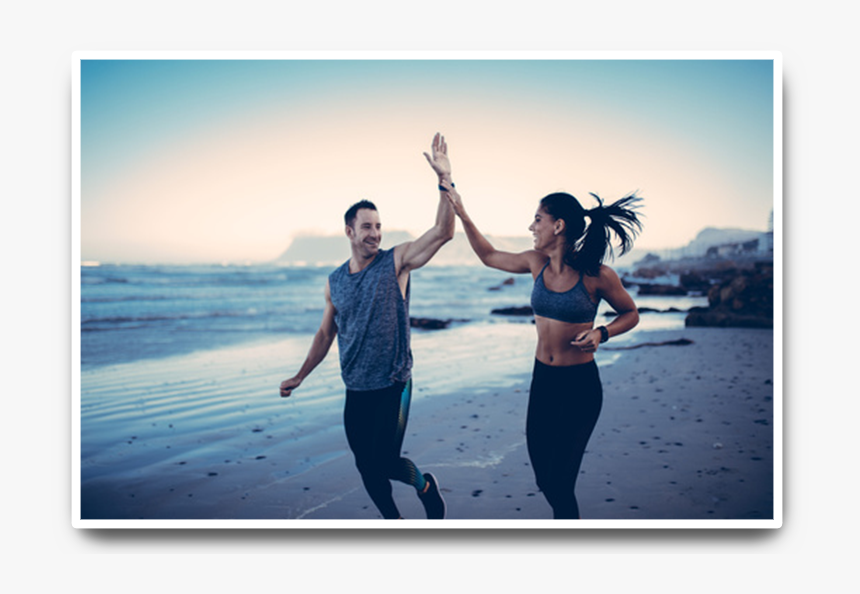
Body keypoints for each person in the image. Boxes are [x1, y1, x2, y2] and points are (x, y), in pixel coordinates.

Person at [441, 180, 643, 520]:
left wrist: (602, 332)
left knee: (561, 484)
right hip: (544, 382)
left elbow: (631, 313)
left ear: (558, 225)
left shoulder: (597, 275)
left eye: (538, 219)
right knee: (544, 479)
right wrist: (460, 210)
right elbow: (489, 255)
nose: (532, 227)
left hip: (580, 387)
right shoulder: (536, 263)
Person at [279, 133, 455, 520]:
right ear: (350, 232)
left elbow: (443, 232)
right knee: (366, 468)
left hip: (392, 383)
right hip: (355, 387)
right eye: (367, 227)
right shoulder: (334, 281)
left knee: (383, 461)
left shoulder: (396, 262)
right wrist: (300, 375)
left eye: (379, 226)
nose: (375, 233)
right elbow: (326, 334)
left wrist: (445, 181)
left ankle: (426, 486)